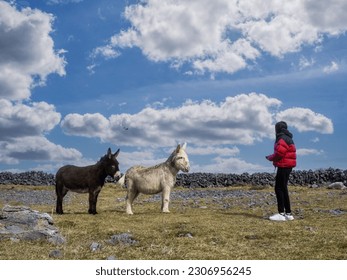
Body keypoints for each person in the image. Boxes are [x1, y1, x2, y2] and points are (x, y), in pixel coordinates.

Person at [266, 121, 297, 221]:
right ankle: (288, 214)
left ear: (277, 129)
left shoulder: (281, 138)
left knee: (278, 188)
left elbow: (279, 153)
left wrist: (270, 158)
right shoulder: (288, 138)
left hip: (284, 165)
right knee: (283, 188)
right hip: (288, 165)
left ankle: (281, 214)